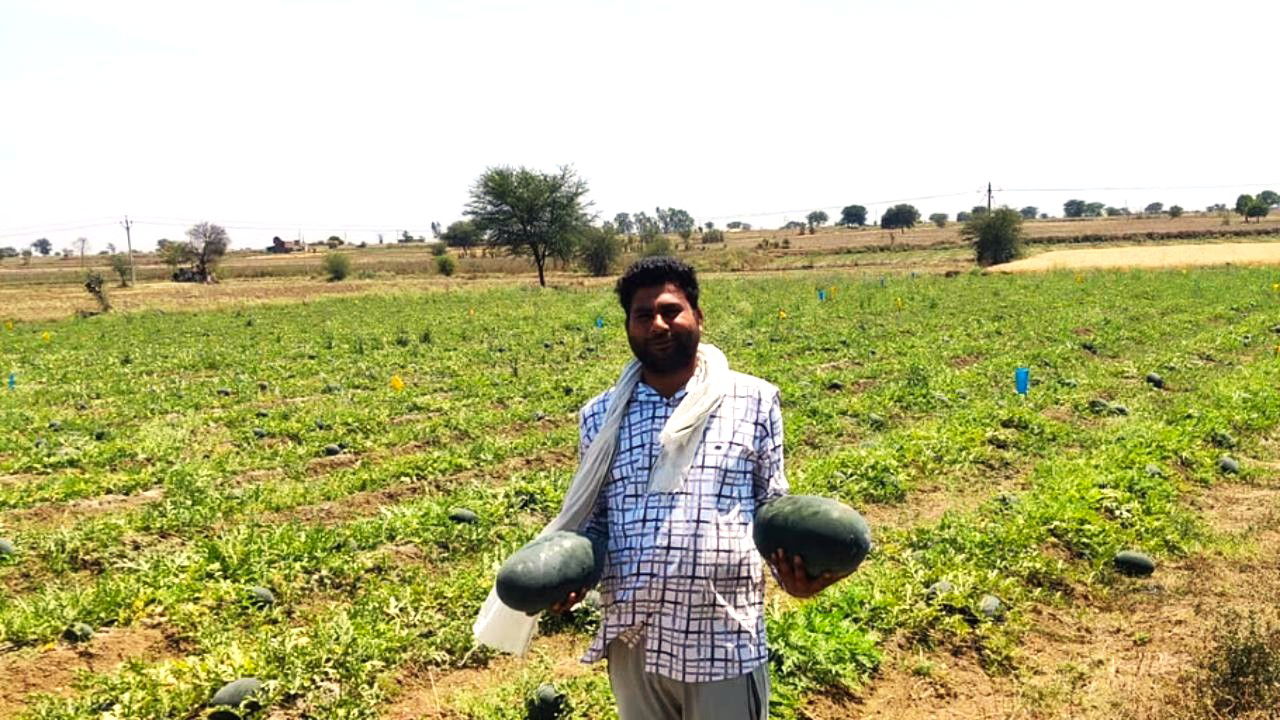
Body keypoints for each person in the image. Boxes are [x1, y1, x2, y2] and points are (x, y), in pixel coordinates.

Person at [550, 256, 848, 719]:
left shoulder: (754, 399)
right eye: (643, 315)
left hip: (723, 636)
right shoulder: (599, 416)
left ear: (698, 317)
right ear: (628, 326)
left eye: (671, 310)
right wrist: (570, 578)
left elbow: (772, 505)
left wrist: (796, 573)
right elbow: (597, 521)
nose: (658, 324)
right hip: (635, 638)